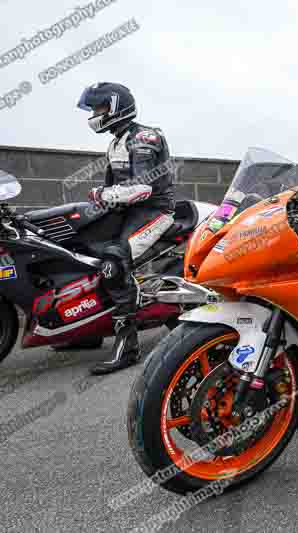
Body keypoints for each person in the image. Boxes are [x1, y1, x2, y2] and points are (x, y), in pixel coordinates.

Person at [77, 82, 176, 374]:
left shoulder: (144, 137)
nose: (95, 114)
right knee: (83, 247)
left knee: (112, 263)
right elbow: (112, 186)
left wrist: (103, 195)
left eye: (100, 108)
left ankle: (128, 345)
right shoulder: (116, 140)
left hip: (155, 211)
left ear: (116, 107)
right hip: (128, 211)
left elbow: (142, 187)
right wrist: (102, 198)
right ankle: (86, 331)